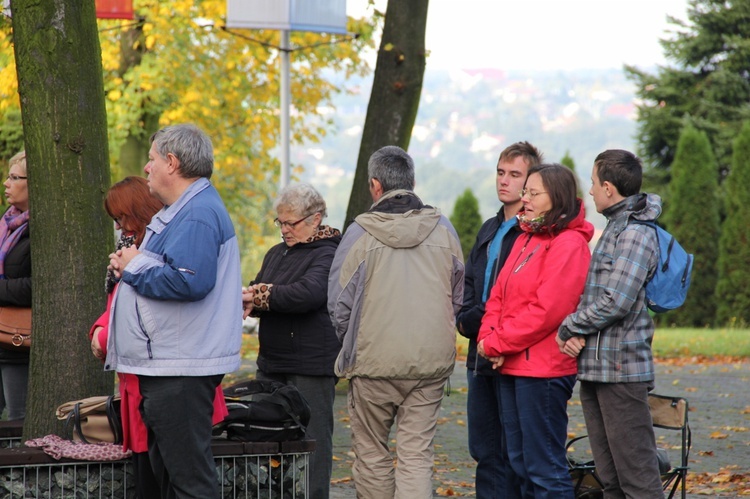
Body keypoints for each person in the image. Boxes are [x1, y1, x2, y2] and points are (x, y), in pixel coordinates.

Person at [106, 124, 243, 499]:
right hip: (170, 364)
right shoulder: (184, 210)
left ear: (172, 162)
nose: (146, 168)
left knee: (188, 482)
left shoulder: (196, 214)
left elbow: (188, 282)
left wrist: (133, 265)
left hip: (180, 367)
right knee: (173, 477)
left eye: (151, 160)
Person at [328, 145, 465, 499]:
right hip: (429, 364)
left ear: (375, 185)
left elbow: (338, 304)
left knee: (372, 454)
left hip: (373, 363)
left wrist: (352, 341)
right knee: (416, 457)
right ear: (412, 182)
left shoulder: (359, 234)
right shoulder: (444, 229)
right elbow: (458, 295)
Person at [90, 176, 228, 499]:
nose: (121, 227)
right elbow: (119, 304)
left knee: (180, 481)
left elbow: (155, 310)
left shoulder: (158, 247)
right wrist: (99, 329)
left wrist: (107, 338)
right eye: (116, 220)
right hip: (143, 380)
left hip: (166, 376)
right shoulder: (130, 251)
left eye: (124, 218)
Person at [477, 163, 594, 498]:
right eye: (524, 191)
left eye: (533, 192)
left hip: (543, 371)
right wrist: (488, 340)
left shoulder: (569, 244)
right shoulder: (526, 237)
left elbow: (547, 311)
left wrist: (497, 343)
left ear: (555, 198)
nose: (524, 198)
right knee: (520, 464)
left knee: (544, 469)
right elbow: (497, 295)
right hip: (512, 364)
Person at [557, 149, 665, 498]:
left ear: (607, 187)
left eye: (592, 183)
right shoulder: (616, 227)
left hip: (621, 373)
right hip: (597, 370)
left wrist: (570, 325)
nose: (589, 192)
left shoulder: (636, 233)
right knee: (611, 480)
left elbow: (615, 301)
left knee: (638, 480)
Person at [242, 183, 342, 499]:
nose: (284, 229)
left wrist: (258, 295)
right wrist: (251, 294)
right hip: (272, 362)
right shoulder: (276, 252)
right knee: (263, 435)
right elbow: (260, 285)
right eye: (280, 222)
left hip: (311, 365)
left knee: (313, 443)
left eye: (291, 223)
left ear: (315, 219)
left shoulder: (329, 253)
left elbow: (308, 294)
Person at [456, 141, 543, 497]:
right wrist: (465, 318)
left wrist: (473, 319)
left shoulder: (533, 233)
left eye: (515, 174)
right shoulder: (489, 228)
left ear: (530, 182)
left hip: (512, 356)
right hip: (479, 355)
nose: (504, 181)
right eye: (500, 172)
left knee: (515, 453)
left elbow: (517, 298)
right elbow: (472, 282)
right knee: (484, 450)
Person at [0, 151, 31, 420]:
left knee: (17, 418)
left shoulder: (38, 230)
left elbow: (38, 287)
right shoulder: (6, 224)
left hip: (16, 342)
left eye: (14, 177)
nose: (5, 183)